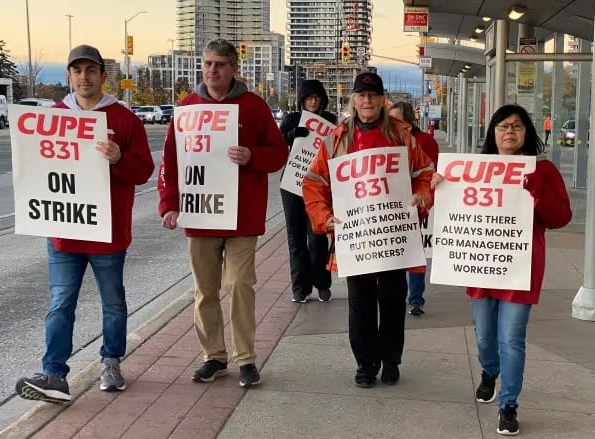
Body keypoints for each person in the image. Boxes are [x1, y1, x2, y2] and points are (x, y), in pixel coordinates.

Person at [15, 44, 155, 403]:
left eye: (90, 70)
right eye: (77, 70)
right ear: (68, 76)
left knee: (112, 302)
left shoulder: (123, 119)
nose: (84, 77)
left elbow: (144, 172)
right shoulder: (55, 116)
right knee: (60, 303)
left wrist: (120, 158)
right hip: (64, 231)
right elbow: (36, 168)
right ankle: (54, 374)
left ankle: (111, 362)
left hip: (106, 232)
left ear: (102, 76)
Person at [432, 104, 571, 435]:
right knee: (483, 334)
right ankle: (489, 371)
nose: (510, 132)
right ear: (492, 132)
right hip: (481, 266)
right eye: (503, 126)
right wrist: (439, 187)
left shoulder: (544, 170)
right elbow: (451, 212)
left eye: (517, 126)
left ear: (528, 133)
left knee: (512, 337)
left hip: (520, 268)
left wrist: (537, 189)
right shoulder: (470, 169)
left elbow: (560, 218)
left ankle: (509, 405)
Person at [158, 39, 288, 388]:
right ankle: (214, 356)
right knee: (205, 291)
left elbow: (279, 154)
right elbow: (171, 160)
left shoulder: (254, 107)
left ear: (234, 69)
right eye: (208, 64)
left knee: (241, 285)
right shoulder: (187, 108)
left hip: (242, 216)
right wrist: (169, 203)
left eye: (219, 64)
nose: (212, 70)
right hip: (202, 215)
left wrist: (253, 156)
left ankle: (246, 358)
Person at [302, 72, 434, 388]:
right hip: (356, 237)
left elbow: (425, 174)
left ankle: (390, 360)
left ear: (382, 100)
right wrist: (325, 217)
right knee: (360, 304)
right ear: (354, 99)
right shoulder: (336, 139)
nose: (367, 101)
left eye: (373, 96)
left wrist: (421, 197)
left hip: (391, 234)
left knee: (391, 299)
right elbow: (313, 183)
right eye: (361, 95)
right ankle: (365, 364)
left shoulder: (402, 136)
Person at [279, 80, 337, 303]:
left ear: (322, 99)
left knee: (318, 238)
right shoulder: (292, 119)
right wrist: (290, 135)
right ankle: (300, 288)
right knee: (296, 240)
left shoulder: (331, 121)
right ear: (302, 100)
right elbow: (277, 145)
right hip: (292, 185)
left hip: (319, 186)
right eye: (309, 98)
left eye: (317, 98)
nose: (313, 102)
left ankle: (322, 284)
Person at [389, 101, 439, 317]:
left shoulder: (424, 141)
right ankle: (394, 295)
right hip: (389, 207)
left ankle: (416, 298)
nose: (393, 123)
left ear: (408, 119)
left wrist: (425, 199)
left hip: (414, 205)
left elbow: (432, 173)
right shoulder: (388, 139)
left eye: (397, 119)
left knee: (415, 253)